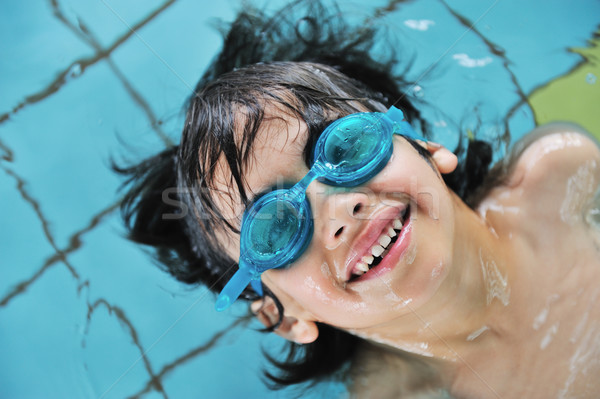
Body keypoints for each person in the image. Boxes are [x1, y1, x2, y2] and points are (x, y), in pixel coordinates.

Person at [115, 2, 600, 398]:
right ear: (281, 316)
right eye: (275, 227)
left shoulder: (561, 175)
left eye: (348, 147)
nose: (338, 207)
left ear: (426, 148)